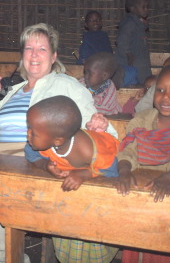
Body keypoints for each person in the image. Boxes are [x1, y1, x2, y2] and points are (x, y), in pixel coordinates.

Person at [0, 23, 117, 263]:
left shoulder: (66, 85)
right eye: (29, 48)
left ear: (54, 56)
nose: (34, 55)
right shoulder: (15, 89)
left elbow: (103, 130)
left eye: (42, 49)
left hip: (35, 168)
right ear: (22, 55)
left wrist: (101, 125)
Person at [115, 64, 170, 262]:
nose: (166, 97)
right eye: (161, 90)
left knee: (163, 248)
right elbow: (129, 149)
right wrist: (123, 170)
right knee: (135, 246)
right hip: (137, 191)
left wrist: (168, 177)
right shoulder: (142, 119)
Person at [27, 95, 120, 263]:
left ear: (58, 140)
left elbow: (113, 170)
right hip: (70, 200)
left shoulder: (87, 150)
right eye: (29, 128)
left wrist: (84, 174)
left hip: (99, 197)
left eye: (33, 132)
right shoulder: (49, 142)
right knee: (67, 229)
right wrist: (45, 165)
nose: (28, 135)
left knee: (90, 239)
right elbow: (30, 152)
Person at [115, 0, 152, 85]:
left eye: (147, 7)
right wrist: (128, 53)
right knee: (134, 80)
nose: (146, 9)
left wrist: (143, 25)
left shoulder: (138, 22)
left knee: (143, 79)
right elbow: (122, 40)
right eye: (143, 7)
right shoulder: (129, 23)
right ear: (133, 8)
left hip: (140, 58)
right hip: (131, 60)